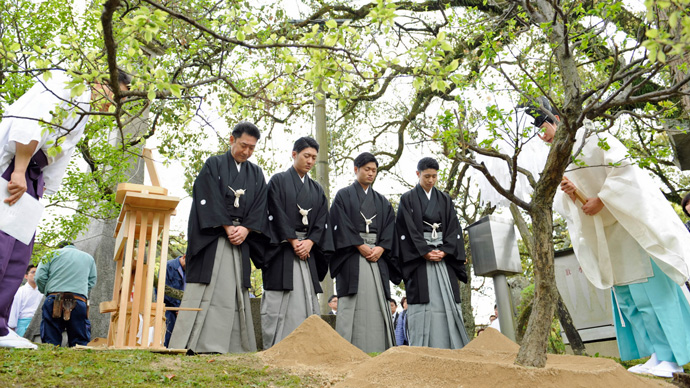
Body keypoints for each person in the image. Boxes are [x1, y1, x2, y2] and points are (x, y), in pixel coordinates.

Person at [526, 97, 690, 377]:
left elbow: (626, 171)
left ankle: (672, 358)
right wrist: (569, 192)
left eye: (543, 128)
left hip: (629, 226)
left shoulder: (594, 136)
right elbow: (566, 205)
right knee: (628, 297)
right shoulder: (560, 155)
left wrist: (602, 199)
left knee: (649, 292)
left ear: (554, 120)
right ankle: (656, 353)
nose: (542, 137)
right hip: (604, 234)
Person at [0, 70, 130, 349]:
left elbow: (60, 151)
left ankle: (0, 326)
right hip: (17, 165)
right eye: (113, 94)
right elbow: (32, 124)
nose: (111, 105)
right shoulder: (67, 87)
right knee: (2, 247)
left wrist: (41, 183)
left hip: (35, 175)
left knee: (19, 254)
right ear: (100, 81)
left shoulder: (83, 109)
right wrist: (20, 171)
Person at [170, 122, 269, 354]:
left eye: (252, 148)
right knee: (206, 287)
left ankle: (236, 346)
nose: (247, 152)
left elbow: (260, 206)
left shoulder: (256, 174)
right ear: (232, 139)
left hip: (241, 240)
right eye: (244, 145)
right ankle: (194, 343)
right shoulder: (213, 164)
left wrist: (245, 229)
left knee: (235, 291)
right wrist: (227, 226)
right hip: (214, 239)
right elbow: (207, 197)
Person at [260, 137, 333, 349]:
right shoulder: (278, 181)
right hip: (283, 249)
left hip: (307, 251)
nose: (310, 161)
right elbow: (275, 212)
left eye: (313, 158)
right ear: (294, 154)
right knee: (279, 300)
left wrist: (310, 242)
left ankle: (306, 348)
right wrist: (293, 240)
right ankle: (276, 346)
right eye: (306, 156)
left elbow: (321, 220)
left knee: (307, 299)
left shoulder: (317, 190)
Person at [393, 157, 470, 349]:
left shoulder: (444, 199)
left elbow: (454, 228)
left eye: (434, 176)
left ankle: (452, 346)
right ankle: (423, 347)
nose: (431, 180)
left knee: (448, 299)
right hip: (420, 259)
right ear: (418, 174)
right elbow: (406, 230)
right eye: (427, 176)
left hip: (443, 256)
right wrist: (425, 251)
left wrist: (444, 251)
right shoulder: (407, 199)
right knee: (422, 300)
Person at [329, 152, 398, 353]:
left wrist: (381, 248)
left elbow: (389, 227)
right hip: (352, 255)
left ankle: (380, 348)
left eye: (374, 170)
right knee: (352, 301)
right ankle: (348, 350)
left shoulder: (382, 201)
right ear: (356, 169)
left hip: (377, 255)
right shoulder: (343, 195)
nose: (371, 173)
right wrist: (359, 245)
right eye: (367, 169)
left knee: (378, 301)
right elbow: (339, 223)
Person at [36, 242, 97, 347]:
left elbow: (39, 277)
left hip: (54, 298)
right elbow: (92, 281)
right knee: (79, 341)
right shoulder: (88, 258)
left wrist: (47, 292)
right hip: (78, 300)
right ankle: (80, 361)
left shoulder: (51, 254)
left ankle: (50, 361)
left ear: (59, 248)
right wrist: (80, 291)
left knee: (50, 340)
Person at [8, 265, 43, 336]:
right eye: (33, 272)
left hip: (39, 324)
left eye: (37, 272)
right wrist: (12, 326)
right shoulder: (20, 291)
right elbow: (14, 309)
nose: (35, 274)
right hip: (23, 324)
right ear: (26, 276)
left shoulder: (42, 291)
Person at [163, 255, 185, 348]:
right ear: (184, 257)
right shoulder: (169, 266)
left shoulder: (189, 270)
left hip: (183, 309)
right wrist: (178, 307)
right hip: (169, 308)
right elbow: (164, 290)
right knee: (167, 333)